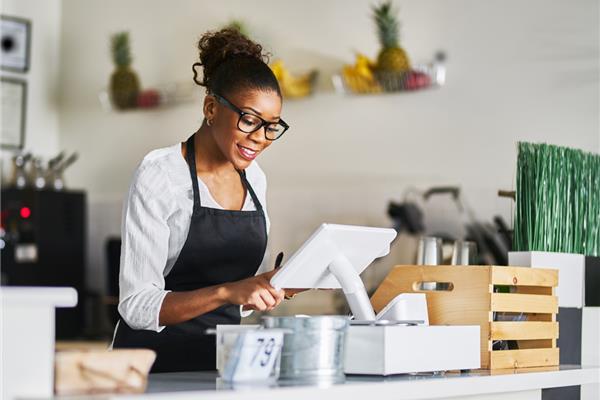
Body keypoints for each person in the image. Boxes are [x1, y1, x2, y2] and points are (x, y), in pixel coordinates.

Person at [112, 28, 292, 372]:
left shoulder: (255, 179)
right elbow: (135, 306)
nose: (260, 139)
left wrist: (267, 287)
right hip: (150, 370)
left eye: (271, 126)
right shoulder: (161, 174)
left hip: (220, 368)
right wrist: (228, 292)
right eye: (250, 120)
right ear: (211, 107)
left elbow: (237, 298)